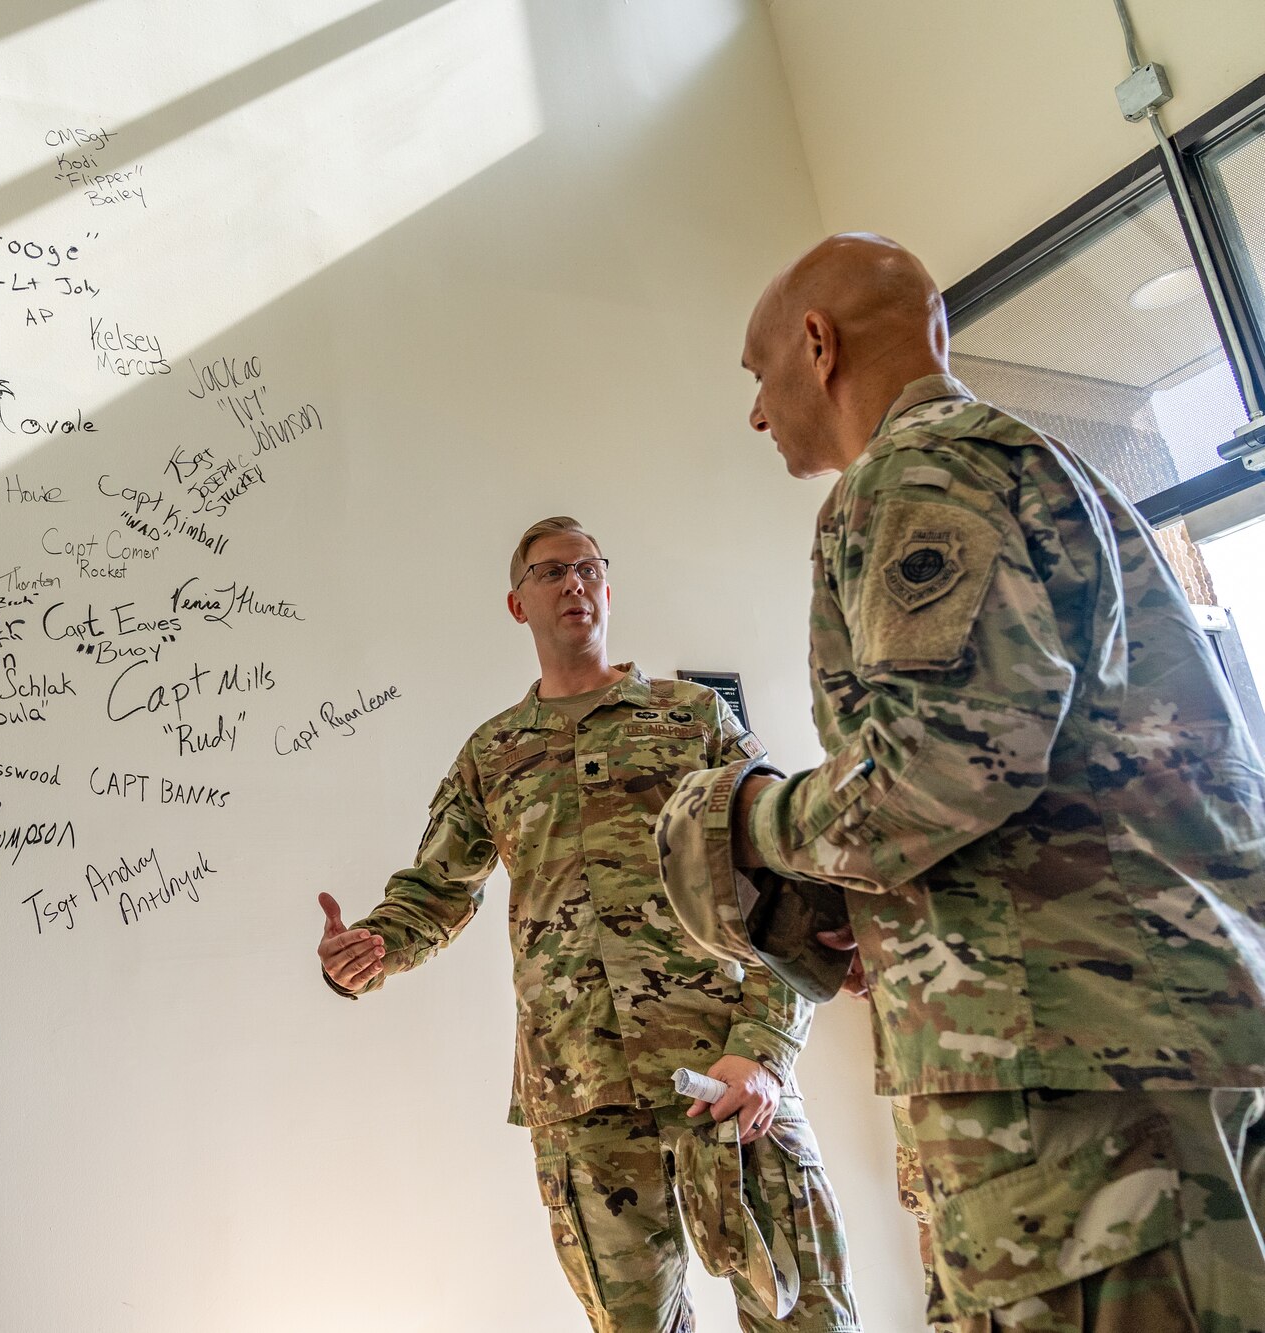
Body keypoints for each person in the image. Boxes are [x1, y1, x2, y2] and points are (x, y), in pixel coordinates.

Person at [673, 231, 1265, 1331]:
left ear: (816, 344)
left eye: (757, 375)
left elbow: (943, 766)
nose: (757, 412)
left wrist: (750, 820)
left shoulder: (915, 472)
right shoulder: (1040, 466)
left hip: (1067, 1085)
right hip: (1147, 1045)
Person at [318, 517, 859, 1333]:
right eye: (549, 572)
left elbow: (788, 881)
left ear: (607, 588)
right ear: (517, 603)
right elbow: (436, 890)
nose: (572, 583)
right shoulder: (492, 753)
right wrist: (373, 946)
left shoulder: (693, 720)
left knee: (806, 1318)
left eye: (586, 568)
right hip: (580, 1097)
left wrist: (765, 1049)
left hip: (725, 1072)